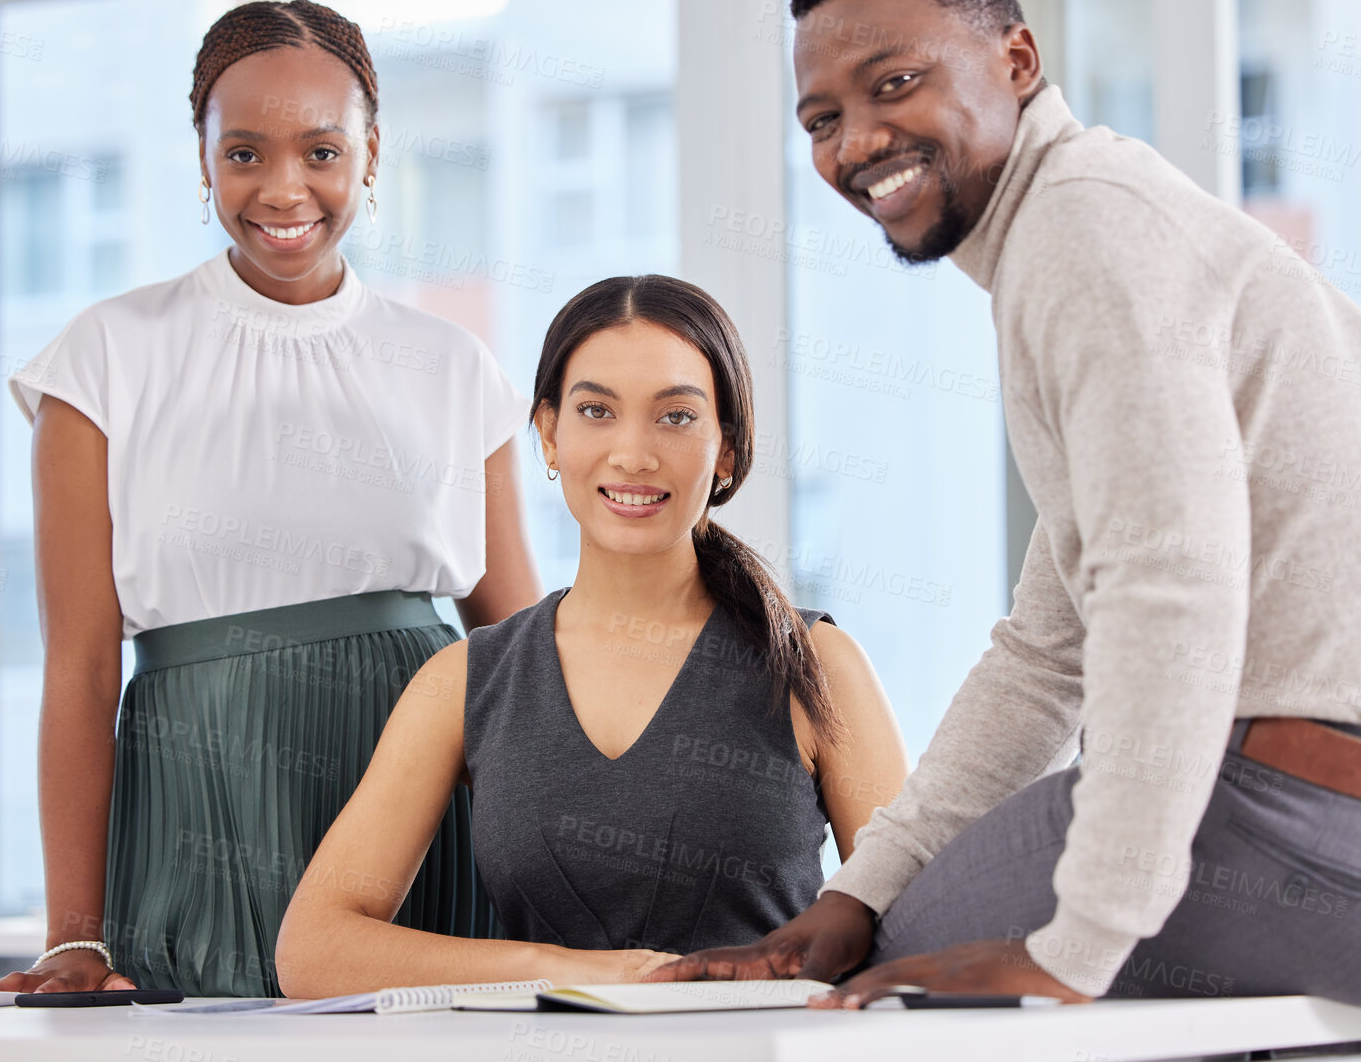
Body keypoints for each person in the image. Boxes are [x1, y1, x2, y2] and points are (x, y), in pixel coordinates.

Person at [650, 0, 1361, 1062]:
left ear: (1019, 60)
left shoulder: (1081, 235)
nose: (857, 143)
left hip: (1326, 853)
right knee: (894, 930)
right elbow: (1051, 650)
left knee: (883, 998)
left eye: (896, 82)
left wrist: (1072, 948)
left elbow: (1167, 588)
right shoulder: (1130, 224)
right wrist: (858, 889)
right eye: (822, 118)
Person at [0, 0, 542, 998]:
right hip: (204, 802)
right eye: (244, 153)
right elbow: (77, 666)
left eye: (321, 151)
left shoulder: (453, 365)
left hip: (421, 810)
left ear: (370, 156)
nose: (285, 188)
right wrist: (74, 934)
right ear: (202, 160)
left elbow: (522, 658)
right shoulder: (104, 357)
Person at [273, 275, 908, 994]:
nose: (633, 453)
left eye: (674, 417)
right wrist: (560, 969)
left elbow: (915, 926)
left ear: (725, 448)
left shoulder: (816, 665)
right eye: (596, 411)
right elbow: (313, 950)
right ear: (548, 433)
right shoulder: (463, 680)